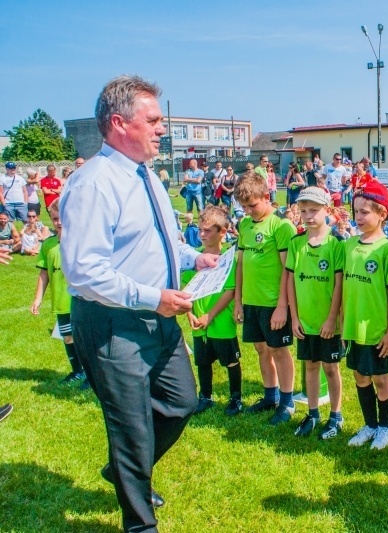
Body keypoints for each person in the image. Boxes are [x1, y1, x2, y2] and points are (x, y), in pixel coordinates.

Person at [60, 75, 219, 533]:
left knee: (181, 402)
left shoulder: (146, 175)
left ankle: (124, 470)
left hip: (158, 315)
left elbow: (159, 242)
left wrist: (195, 257)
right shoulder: (94, 183)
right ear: (118, 123)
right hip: (113, 322)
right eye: (153, 120)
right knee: (131, 427)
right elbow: (84, 272)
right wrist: (155, 297)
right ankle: (140, 523)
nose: (162, 128)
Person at [233, 172, 297, 423]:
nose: (248, 211)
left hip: (273, 302)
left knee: (278, 349)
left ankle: (287, 400)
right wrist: (238, 300)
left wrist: (283, 305)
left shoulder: (281, 226)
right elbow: (240, 265)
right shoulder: (245, 225)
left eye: (252, 205)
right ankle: (270, 396)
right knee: (261, 349)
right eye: (244, 207)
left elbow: (287, 270)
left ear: (267, 196)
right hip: (251, 300)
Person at [342, 181, 388, 451]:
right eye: (356, 212)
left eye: (366, 212)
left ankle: (386, 426)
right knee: (359, 375)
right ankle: (369, 424)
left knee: (379, 378)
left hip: (376, 327)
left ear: (382, 214)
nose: (359, 217)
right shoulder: (349, 245)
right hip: (353, 325)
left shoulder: (387, 248)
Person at [286, 187, 345, 439]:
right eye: (303, 211)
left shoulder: (336, 244)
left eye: (314, 210)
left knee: (331, 369)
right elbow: (289, 281)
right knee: (310, 366)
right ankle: (312, 413)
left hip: (328, 323)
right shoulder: (296, 243)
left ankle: (336, 416)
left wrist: (332, 319)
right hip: (305, 322)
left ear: (327, 211)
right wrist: (295, 317)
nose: (308, 216)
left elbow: (340, 284)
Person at [182, 206, 243, 416]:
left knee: (231, 360)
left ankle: (236, 398)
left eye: (207, 230)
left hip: (221, 321)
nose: (201, 235)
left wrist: (211, 314)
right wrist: (190, 313)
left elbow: (230, 290)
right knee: (202, 361)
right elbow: (184, 289)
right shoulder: (193, 257)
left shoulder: (228, 259)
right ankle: (205, 396)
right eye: (200, 229)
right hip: (198, 321)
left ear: (222, 232)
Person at [30, 198, 87, 385]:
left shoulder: (81, 243)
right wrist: (38, 298)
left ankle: (91, 374)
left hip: (81, 300)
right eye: (54, 218)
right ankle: (77, 371)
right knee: (69, 337)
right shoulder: (48, 245)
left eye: (63, 217)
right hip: (61, 302)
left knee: (85, 339)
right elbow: (44, 273)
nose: (59, 222)